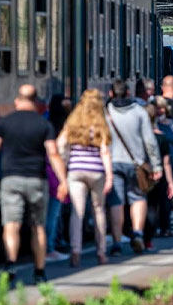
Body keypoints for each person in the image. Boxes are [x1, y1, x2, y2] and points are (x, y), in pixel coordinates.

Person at [0, 85, 67, 284]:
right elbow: (53, 154)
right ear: (35, 102)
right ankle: (40, 271)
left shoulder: (5, 122)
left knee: (11, 225)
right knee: (38, 227)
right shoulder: (43, 125)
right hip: (37, 180)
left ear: (17, 101)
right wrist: (63, 181)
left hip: (11, 179)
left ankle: (11, 263)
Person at [56, 89, 113, 268]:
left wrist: (64, 164)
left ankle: (75, 251)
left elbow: (60, 145)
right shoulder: (101, 123)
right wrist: (109, 175)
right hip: (96, 172)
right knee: (98, 210)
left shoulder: (72, 122)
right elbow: (105, 151)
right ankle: (101, 252)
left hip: (75, 171)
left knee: (77, 212)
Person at [105, 79, 162, 254]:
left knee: (116, 203)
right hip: (137, 164)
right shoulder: (139, 112)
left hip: (112, 163)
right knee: (138, 198)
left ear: (111, 94)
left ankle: (116, 242)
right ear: (129, 93)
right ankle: (137, 233)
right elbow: (150, 141)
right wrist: (156, 165)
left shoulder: (106, 112)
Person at [143, 103, 173, 249]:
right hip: (159, 173)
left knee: (147, 203)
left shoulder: (139, 136)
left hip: (142, 173)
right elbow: (167, 162)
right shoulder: (161, 137)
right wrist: (171, 182)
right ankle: (163, 229)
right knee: (162, 201)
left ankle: (141, 232)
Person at [45, 95, 73, 264]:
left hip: (45, 170)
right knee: (54, 213)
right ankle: (51, 245)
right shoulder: (65, 128)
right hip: (58, 171)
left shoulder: (44, 123)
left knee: (48, 212)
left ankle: (52, 242)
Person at [152, 97, 173, 237]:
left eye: (161, 108)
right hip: (153, 164)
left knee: (166, 195)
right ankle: (153, 227)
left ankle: (165, 226)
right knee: (153, 197)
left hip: (170, 161)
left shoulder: (171, 123)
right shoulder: (150, 124)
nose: (159, 110)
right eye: (156, 107)